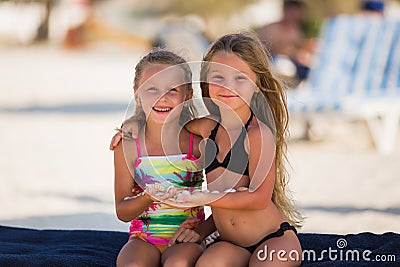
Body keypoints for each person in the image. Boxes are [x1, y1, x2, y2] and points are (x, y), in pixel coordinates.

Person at [111, 32, 303, 266]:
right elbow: (169, 123)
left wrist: (202, 197)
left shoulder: (258, 133)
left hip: (272, 239)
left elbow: (260, 199)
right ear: (206, 83)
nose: (227, 86)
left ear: (257, 85)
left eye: (240, 78)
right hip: (229, 242)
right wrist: (133, 124)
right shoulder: (206, 129)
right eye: (218, 77)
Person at [113, 49, 215, 267]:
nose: (162, 97)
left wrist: (201, 232)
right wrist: (147, 197)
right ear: (136, 93)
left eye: (173, 90)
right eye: (151, 89)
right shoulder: (128, 146)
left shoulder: (197, 144)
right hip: (143, 238)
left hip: (186, 235)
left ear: (187, 96)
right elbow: (122, 210)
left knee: (178, 264)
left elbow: (221, 199)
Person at [258, 0, 310, 83]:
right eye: (292, 14)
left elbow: (301, 46)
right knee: (285, 68)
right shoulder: (272, 29)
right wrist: (292, 52)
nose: (295, 18)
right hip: (273, 64)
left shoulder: (294, 30)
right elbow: (269, 49)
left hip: (290, 64)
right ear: (285, 11)